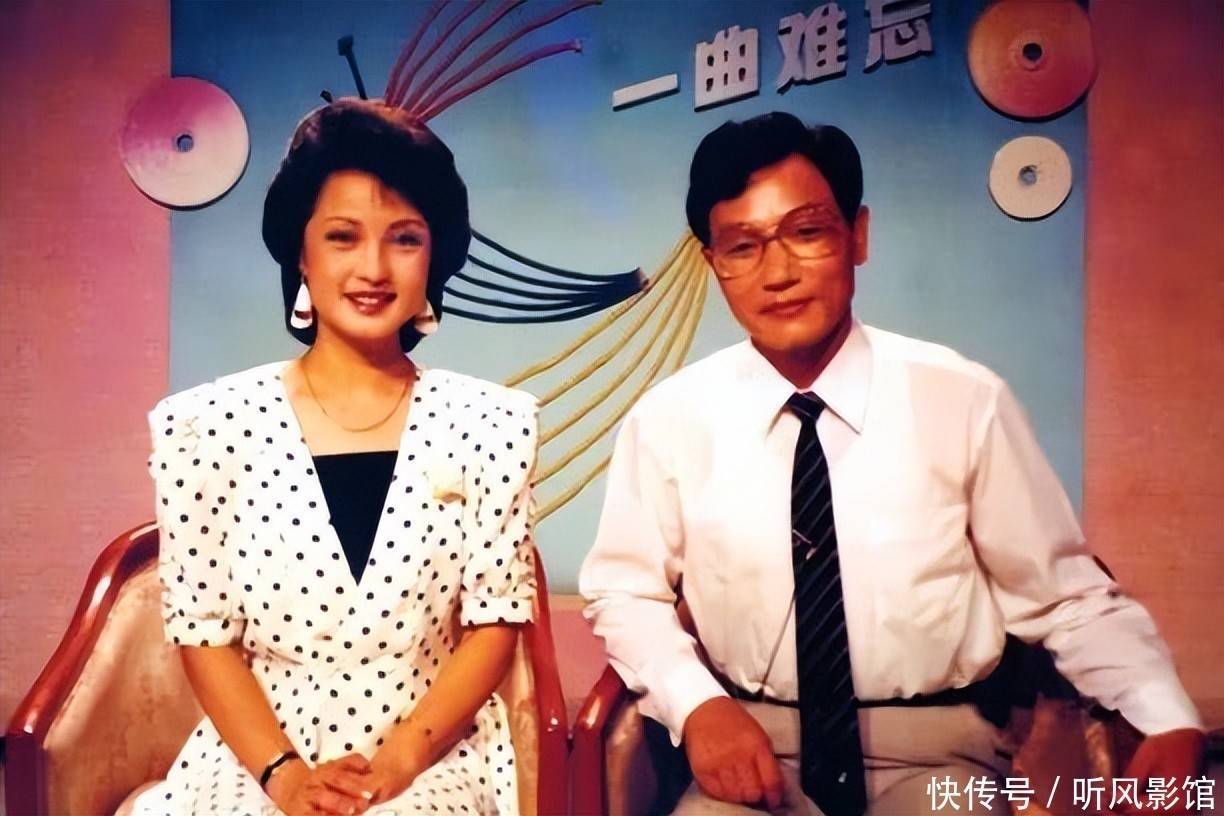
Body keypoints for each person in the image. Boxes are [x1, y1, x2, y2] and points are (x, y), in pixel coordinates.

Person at [579, 111, 1204, 816]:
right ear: (711, 263)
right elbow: (625, 594)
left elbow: (1064, 597)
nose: (777, 273)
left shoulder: (965, 400)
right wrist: (697, 706)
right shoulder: (669, 419)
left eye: (807, 232)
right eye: (742, 247)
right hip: (754, 749)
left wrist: (1165, 714)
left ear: (858, 235)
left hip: (940, 758)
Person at [135, 99, 539, 815]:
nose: (373, 268)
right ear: (302, 252)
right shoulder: (205, 427)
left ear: (433, 257)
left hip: (426, 754)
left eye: (405, 239)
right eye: (343, 237)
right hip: (258, 757)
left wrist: (399, 762)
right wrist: (286, 777)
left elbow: (494, 625)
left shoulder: (491, 423)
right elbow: (203, 633)